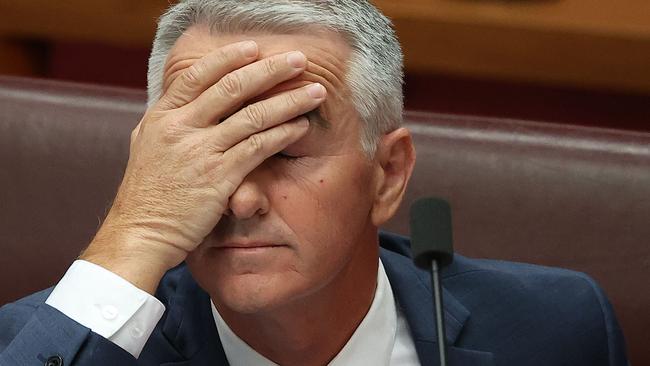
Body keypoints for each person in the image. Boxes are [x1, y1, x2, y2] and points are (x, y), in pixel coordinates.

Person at [0, 1, 628, 365]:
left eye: (286, 151)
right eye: (204, 155)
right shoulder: (52, 342)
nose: (240, 199)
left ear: (388, 175)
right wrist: (137, 231)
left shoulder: (557, 328)